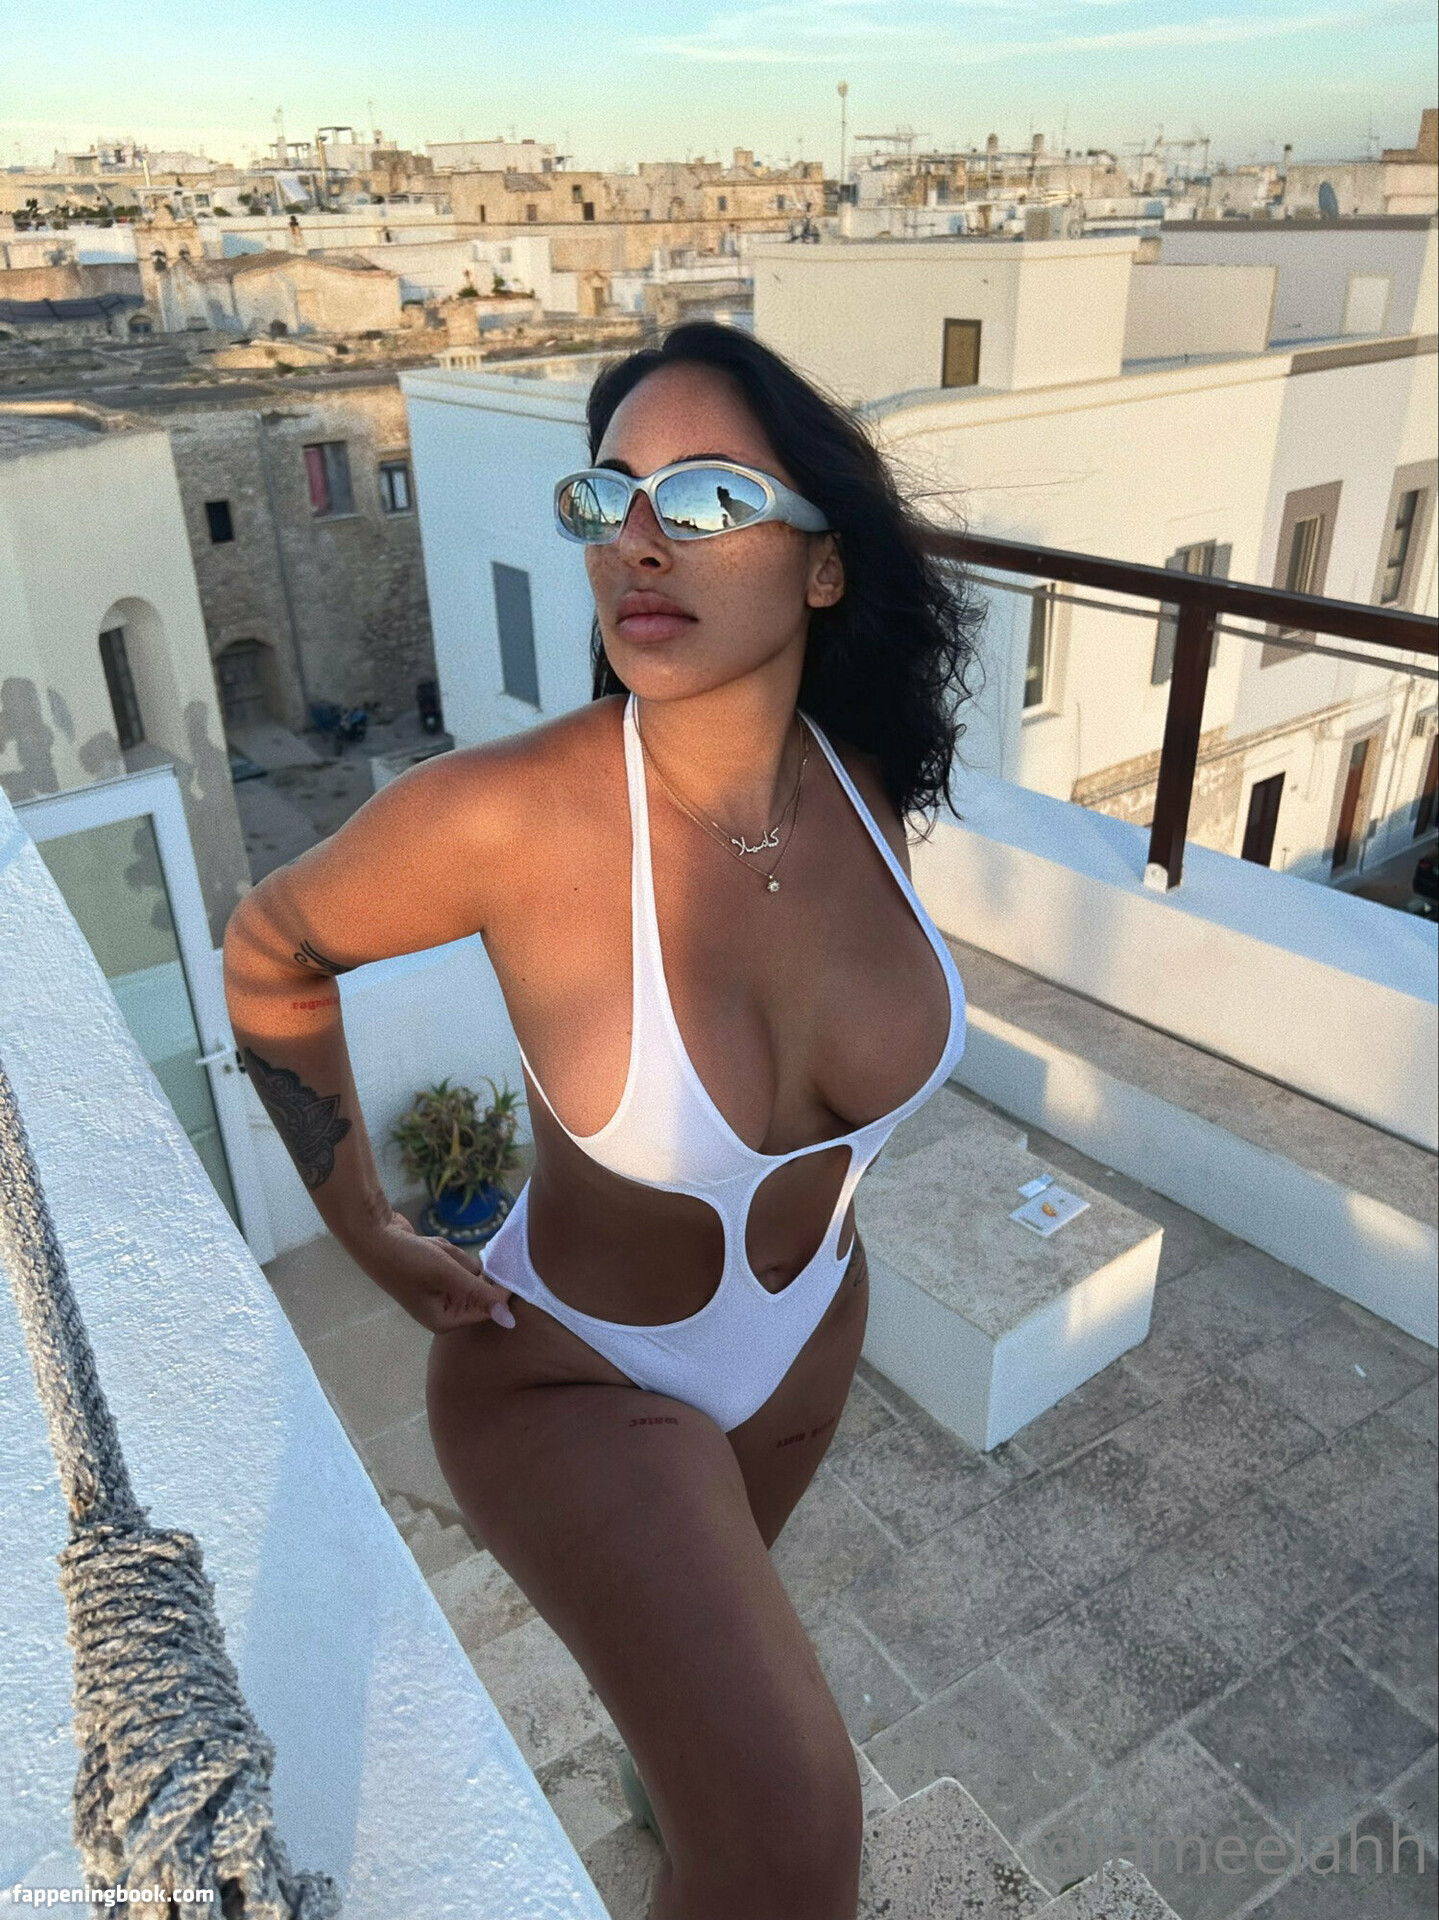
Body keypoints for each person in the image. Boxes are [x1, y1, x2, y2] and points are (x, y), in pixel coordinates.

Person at [222, 321, 980, 1919]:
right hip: (568, 1380)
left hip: (804, 1341)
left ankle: (667, 1794)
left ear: (824, 567)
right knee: (794, 1830)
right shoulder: (511, 818)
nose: (638, 538)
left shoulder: (860, 782)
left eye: (705, 498)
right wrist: (365, 1227)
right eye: (605, 496)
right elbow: (271, 949)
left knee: (705, 1740)